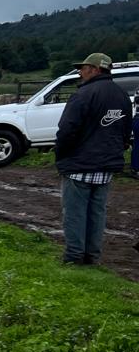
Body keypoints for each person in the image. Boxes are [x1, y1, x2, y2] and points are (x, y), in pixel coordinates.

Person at [54, 53, 133, 265]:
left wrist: (61, 155)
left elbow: (66, 131)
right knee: (97, 214)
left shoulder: (83, 94)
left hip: (79, 164)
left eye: (84, 67)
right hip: (106, 166)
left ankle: (73, 257)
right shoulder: (122, 97)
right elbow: (126, 132)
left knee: (75, 213)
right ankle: (92, 257)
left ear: (96, 69)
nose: (80, 72)